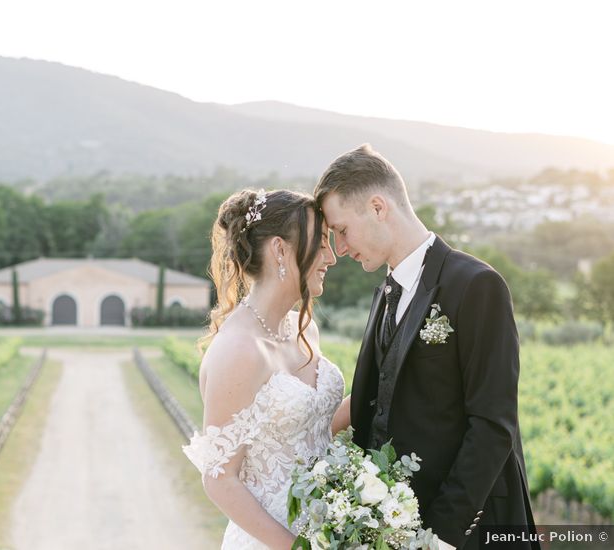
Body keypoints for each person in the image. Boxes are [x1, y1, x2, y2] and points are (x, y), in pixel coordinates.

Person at [314, 144, 539, 550]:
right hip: (391, 531)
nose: (340, 249)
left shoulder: (476, 285)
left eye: (342, 230)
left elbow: (492, 425)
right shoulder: (384, 293)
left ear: (378, 207)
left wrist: (436, 537)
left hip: (469, 533)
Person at [182, 189, 343, 550]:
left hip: (327, 531)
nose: (330, 257)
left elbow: (310, 426)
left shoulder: (304, 329)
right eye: (320, 245)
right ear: (280, 250)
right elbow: (220, 479)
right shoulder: (239, 349)